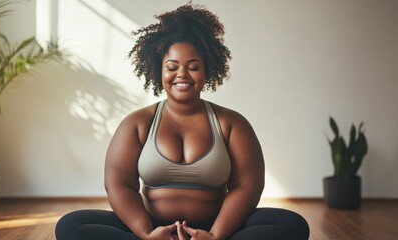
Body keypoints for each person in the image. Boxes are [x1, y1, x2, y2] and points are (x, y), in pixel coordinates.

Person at [55, 3, 310, 240]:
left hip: (216, 228)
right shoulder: (138, 123)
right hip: (151, 226)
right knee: (71, 225)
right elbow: (119, 184)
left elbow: (248, 185)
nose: (182, 75)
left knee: (291, 224)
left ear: (207, 70)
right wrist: (146, 233)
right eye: (172, 66)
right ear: (159, 70)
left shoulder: (231, 123)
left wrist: (217, 235)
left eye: (193, 66)